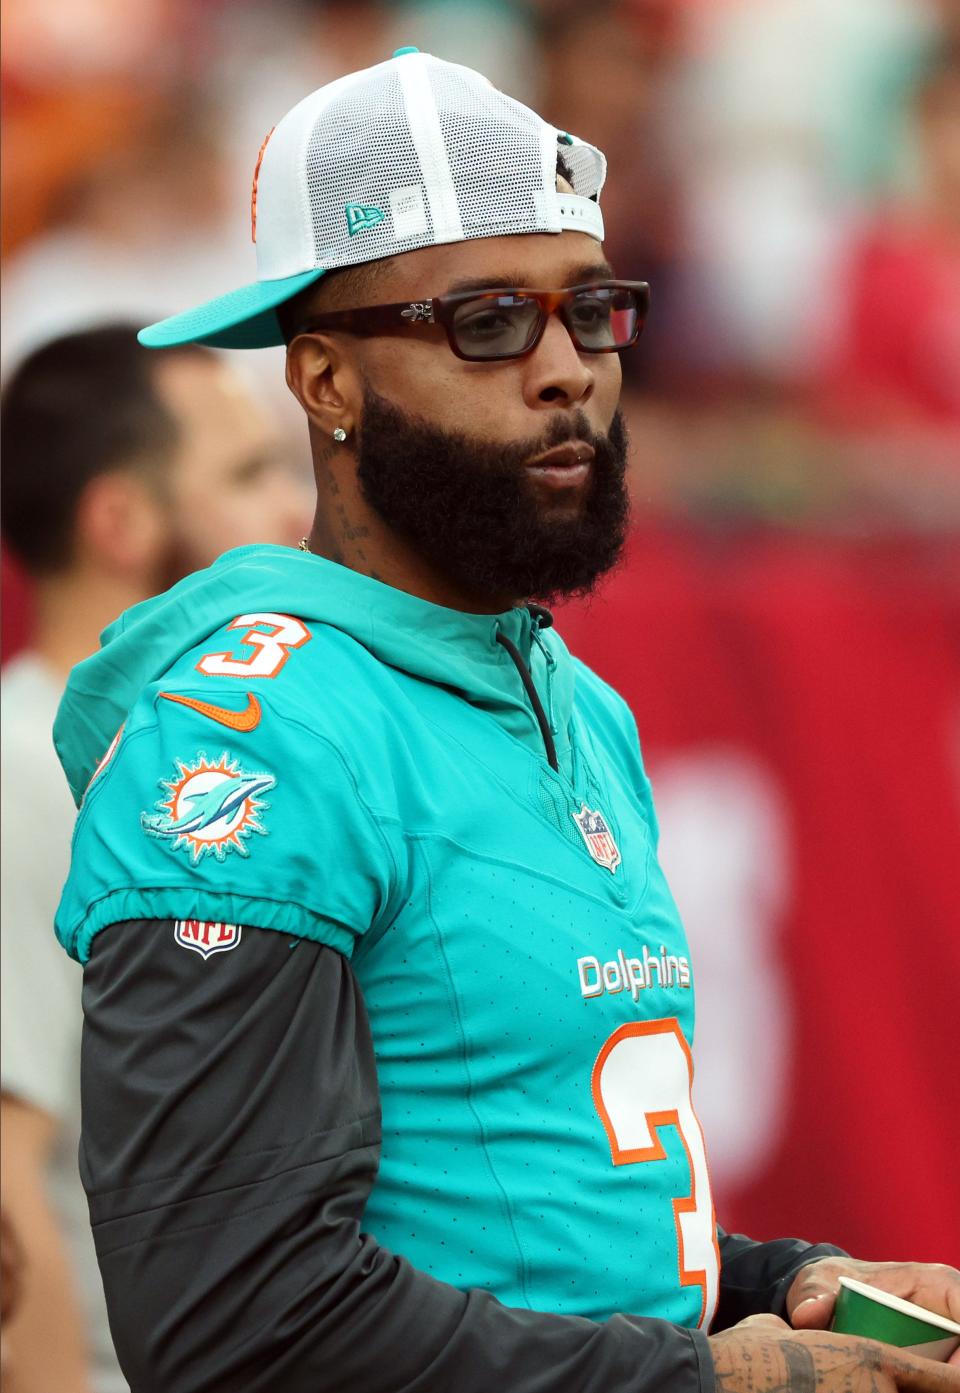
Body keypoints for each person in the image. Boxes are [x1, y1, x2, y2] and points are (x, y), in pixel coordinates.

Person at [50, 52, 959, 1393]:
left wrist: (791, 1286)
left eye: (591, 311)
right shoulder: (252, 731)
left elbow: (552, 1224)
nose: (565, 371)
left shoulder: (571, 695)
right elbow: (232, 1325)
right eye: (486, 321)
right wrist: (711, 1382)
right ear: (324, 381)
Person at [0, 325, 309, 1393]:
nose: (295, 512)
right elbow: (8, 1192)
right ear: (120, 521)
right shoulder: (25, 774)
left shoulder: (204, 765)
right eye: (249, 472)